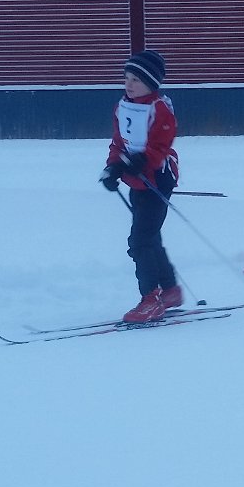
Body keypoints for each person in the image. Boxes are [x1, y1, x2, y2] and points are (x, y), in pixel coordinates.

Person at [99, 50, 183, 323]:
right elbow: (118, 143)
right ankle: (170, 290)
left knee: (140, 240)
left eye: (136, 79)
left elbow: (161, 145)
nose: (129, 84)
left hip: (158, 178)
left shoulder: (160, 108)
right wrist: (113, 168)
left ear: (151, 82)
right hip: (136, 180)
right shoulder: (122, 106)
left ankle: (151, 299)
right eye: (127, 78)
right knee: (150, 236)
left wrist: (142, 160)